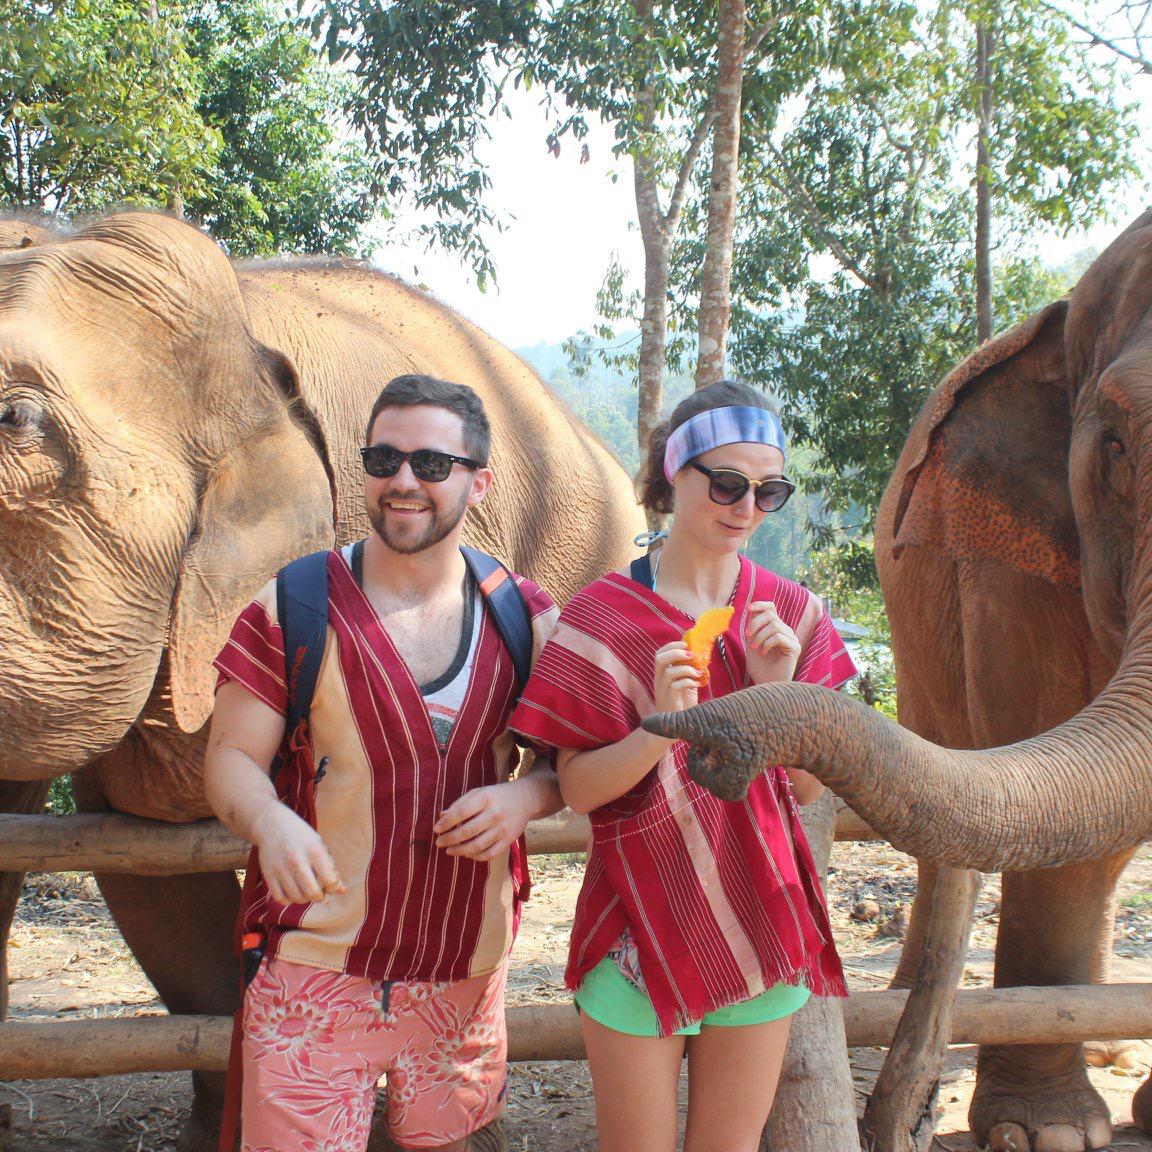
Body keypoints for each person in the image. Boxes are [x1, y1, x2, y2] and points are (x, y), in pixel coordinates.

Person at [203, 374, 561, 1152]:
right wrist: (268, 821)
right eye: (385, 457)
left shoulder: (525, 617)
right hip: (313, 969)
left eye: (433, 464)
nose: (405, 481)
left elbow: (574, 765)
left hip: (463, 972)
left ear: (479, 481)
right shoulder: (295, 606)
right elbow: (230, 758)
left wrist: (528, 797)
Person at [509, 379, 857, 1152]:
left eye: (770, 489)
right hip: (636, 924)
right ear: (674, 476)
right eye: (726, 482)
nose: (746, 506)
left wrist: (778, 694)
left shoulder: (794, 614)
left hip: (760, 916)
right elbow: (577, 790)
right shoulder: (602, 616)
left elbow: (806, 788)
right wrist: (661, 729)